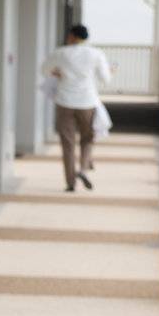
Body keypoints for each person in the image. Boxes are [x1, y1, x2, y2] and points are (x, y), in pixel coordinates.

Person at [43, 24, 112, 192]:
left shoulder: (60, 53)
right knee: (87, 139)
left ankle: (70, 183)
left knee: (67, 143)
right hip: (87, 102)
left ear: (72, 36)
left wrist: (58, 74)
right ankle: (82, 169)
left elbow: (45, 70)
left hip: (64, 101)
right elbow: (105, 79)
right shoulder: (96, 54)